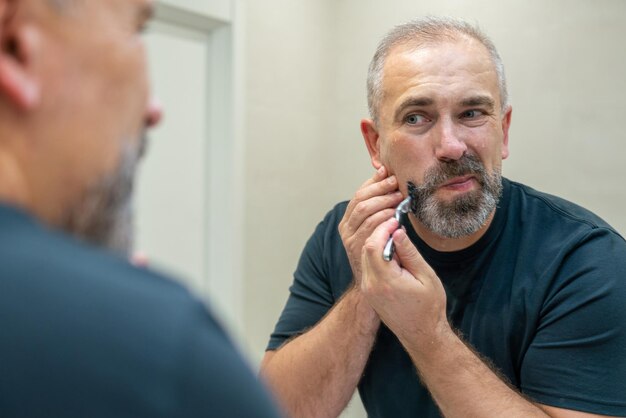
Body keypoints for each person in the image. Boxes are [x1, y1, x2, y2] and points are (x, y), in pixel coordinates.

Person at [260, 17, 626, 418]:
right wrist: (366, 293)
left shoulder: (585, 260)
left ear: (502, 132)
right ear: (376, 144)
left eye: (472, 113)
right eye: (417, 117)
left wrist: (427, 333)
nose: (451, 146)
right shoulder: (347, 234)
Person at [0, 1, 282, 417]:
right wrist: (128, 324)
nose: (153, 110)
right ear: (17, 46)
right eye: (137, 29)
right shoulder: (159, 358)